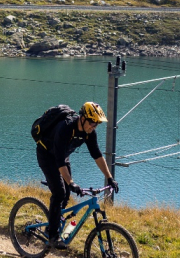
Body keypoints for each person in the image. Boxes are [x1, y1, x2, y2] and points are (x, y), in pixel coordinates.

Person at [36, 101, 118, 249]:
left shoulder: (89, 133)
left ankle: (54, 220)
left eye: (96, 124)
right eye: (92, 123)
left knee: (67, 194)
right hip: (47, 155)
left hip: (62, 156)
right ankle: (53, 235)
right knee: (60, 192)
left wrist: (110, 178)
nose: (93, 127)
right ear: (83, 118)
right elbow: (59, 161)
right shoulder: (66, 127)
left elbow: (97, 155)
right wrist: (71, 182)